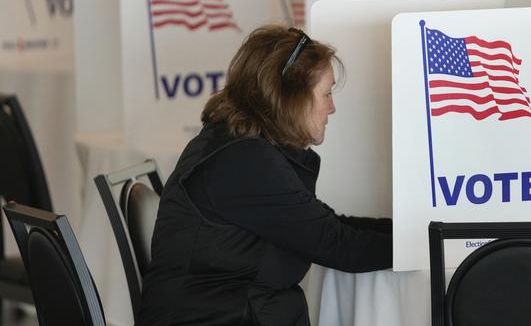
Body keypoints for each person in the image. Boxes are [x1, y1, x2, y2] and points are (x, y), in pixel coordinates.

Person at [136, 25, 392, 326]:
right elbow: (338, 246)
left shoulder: (237, 145)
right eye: (327, 93)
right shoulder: (243, 161)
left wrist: (413, 235)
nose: (331, 108)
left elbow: (327, 225)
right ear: (291, 99)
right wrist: (426, 246)